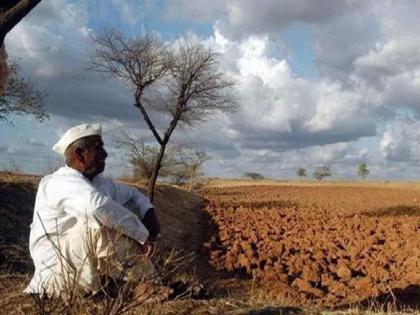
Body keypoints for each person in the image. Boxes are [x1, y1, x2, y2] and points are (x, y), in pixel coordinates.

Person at [24, 123, 161, 296]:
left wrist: (148, 212)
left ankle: (146, 284)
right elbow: (96, 207)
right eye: (98, 148)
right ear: (80, 155)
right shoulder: (58, 182)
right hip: (57, 274)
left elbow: (132, 194)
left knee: (120, 216)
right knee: (99, 224)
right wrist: (143, 235)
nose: (105, 154)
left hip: (81, 267)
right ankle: (145, 285)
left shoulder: (98, 183)